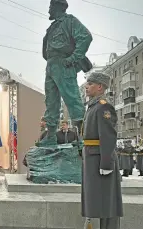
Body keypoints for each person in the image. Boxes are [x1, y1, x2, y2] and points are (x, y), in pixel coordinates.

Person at [39, 0, 93, 146]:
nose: (49, 10)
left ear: (58, 7)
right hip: (51, 65)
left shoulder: (70, 21)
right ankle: (50, 137)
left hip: (63, 64)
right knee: (51, 101)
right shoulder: (52, 27)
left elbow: (86, 37)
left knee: (72, 99)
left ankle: (82, 137)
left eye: (51, 7)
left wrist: (73, 58)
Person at [81, 72, 123, 229]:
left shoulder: (104, 106)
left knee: (107, 202)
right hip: (92, 158)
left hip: (100, 160)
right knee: (96, 201)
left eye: (90, 84)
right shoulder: (93, 106)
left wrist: (106, 164)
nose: (87, 86)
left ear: (100, 87)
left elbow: (108, 137)